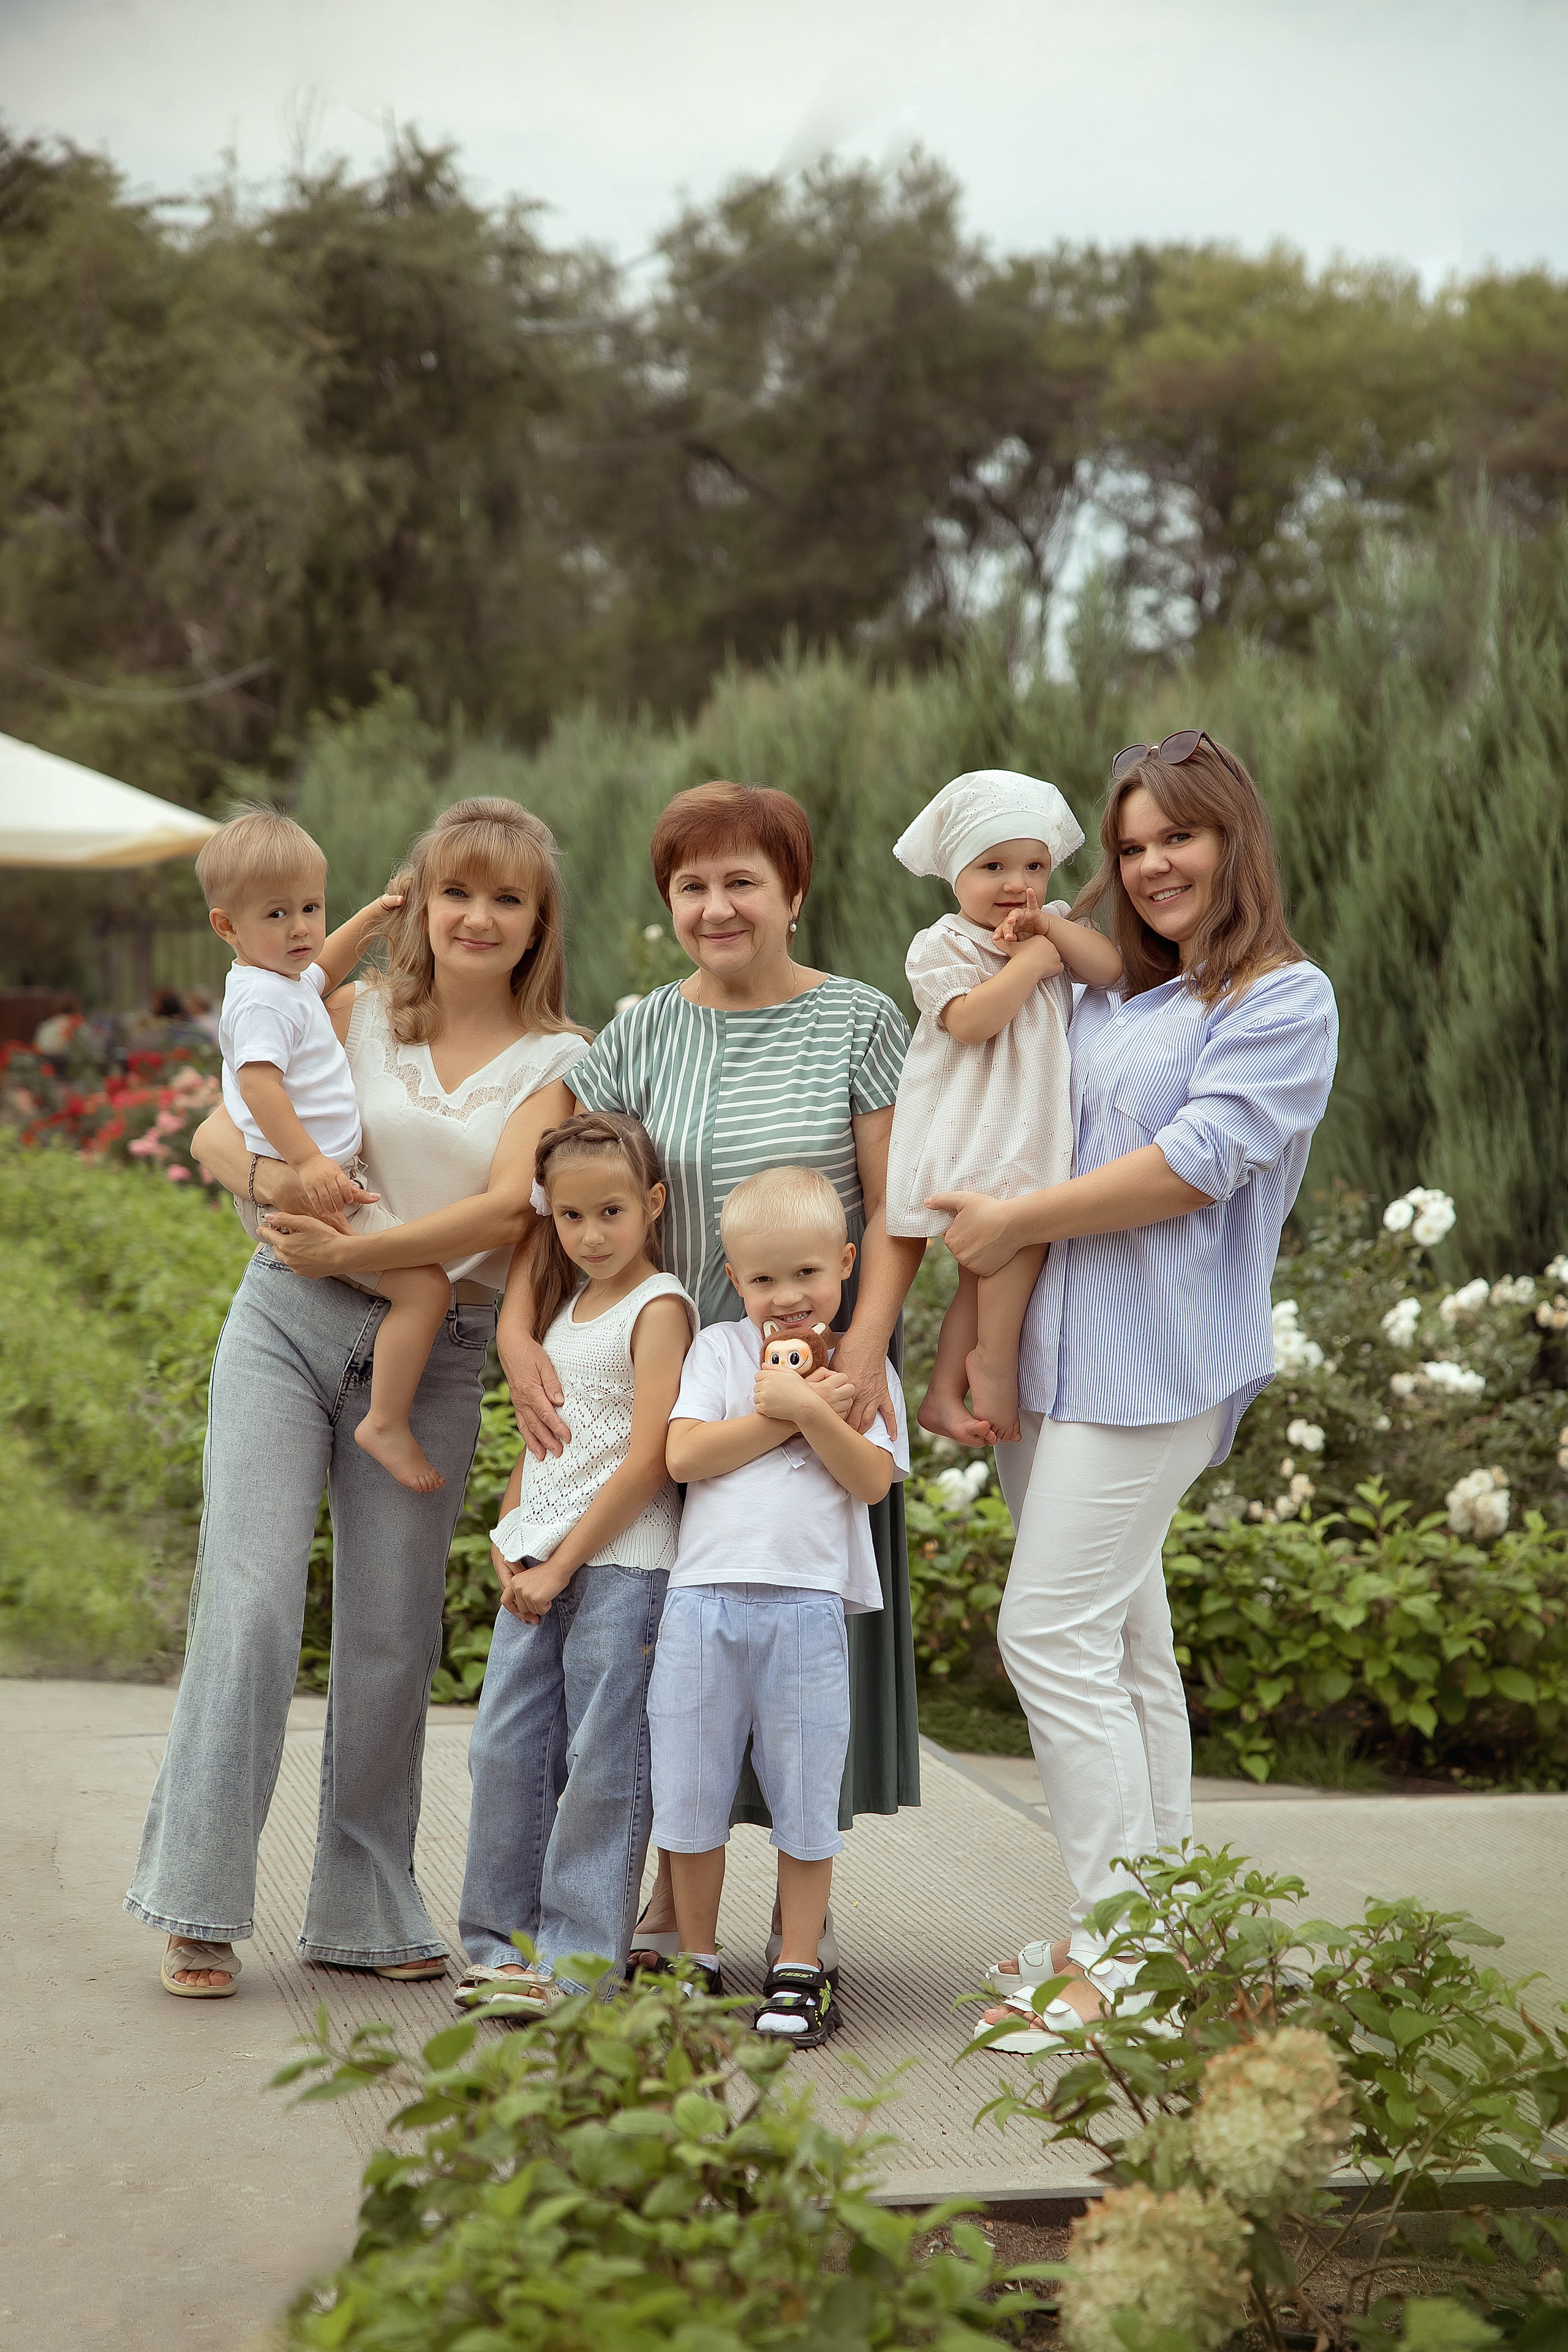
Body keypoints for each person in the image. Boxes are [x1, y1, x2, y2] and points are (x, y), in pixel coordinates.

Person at [126, 797, 589, 1997]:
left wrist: (358, 1249)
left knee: (390, 1637)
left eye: (506, 898)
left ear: (538, 921)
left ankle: (365, 1910)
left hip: (435, 1347)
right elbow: (222, 1137)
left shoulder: (560, 1061)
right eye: (456, 893)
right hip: (286, 1321)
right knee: (252, 1602)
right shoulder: (350, 1005)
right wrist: (290, 1189)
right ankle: (198, 1903)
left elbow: (505, 1212)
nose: (477, 917)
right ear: (421, 907)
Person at [931, 733, 1339, 2051]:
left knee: (1042, 1635)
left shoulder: (1279, 1001)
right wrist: (969, 1332)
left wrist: (1012, 1221)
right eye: (1131, 846)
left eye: (1178, 836)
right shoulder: (1121, 998)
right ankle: (1168, 1937)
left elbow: (1195, 1162)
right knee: (1119, 1647)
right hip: (1049, 1361)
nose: (1153, 864)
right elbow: (1010, 1143)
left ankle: (1118, 1960)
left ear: (1234, 840)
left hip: (1153, 1365)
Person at [503, 780, 922, 1983]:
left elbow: (892, 1207)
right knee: (662, 1649)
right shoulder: (637, 1033)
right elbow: (562, 1189)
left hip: (808, 1375)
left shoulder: (857, 1021)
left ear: (793, 892)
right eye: (690, 885)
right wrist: (523, 1333)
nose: (716, 904)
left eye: (742, 879)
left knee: (790, 1641)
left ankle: (800, 1922)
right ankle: (659, 1892)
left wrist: (859, 1359)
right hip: (669, 1386)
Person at [652, 1164, 909, 2048]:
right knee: (689, 1786)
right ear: (735, 1280)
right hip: (702, 1600)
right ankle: (694, 1956)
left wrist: (815, 1405)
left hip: (806, 1609)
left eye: (806, 1273)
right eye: (762, 1279)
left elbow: (872, 1478)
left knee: (805, 1791)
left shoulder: (860, 1367)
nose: (786, 1296)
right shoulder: (721, 1352)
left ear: (844, 1263)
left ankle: (798, 1963)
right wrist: (792, 1412)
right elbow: (684, 1457)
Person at [454, 1112, 695, 2012]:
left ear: (653, 1205)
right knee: (506, 1748)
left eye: (611, 1213)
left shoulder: (659, 1304)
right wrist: (512, 1533)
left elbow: (648, 1458)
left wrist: (561, 1566)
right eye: (570, 1217)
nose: (590, 1235)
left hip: (622, 1566)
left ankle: (578, 1963)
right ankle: (502, 1948)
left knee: (602, 1761)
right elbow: (546, 1433)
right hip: (538, 1562)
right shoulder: (563, 1306)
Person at [198, 806, 451, 1493]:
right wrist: (308, 1162)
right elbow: (257, 1086)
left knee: (414, 1282)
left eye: (311, 906)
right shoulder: (260, 1003)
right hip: (313, 1183)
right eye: (277, 915)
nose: (302, 928)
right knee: (426, 1286)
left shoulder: (281, 982)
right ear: (228, 927)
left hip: (321, 1176)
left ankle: (379, 1410)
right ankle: (386, 1422)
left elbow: (325, 973)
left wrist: (370, 916)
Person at [886, 769, 1123, 1447]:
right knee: (1013, 1244)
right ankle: (992, 1365)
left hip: (1029, 1118)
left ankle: (939, 1394)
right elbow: (970, 1023)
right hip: (977, 1122)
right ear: (956, 874)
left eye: (1034, 866)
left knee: (980, 1271)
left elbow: (1107, 970)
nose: (1016, 882)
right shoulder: (944, 945)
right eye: (992, 865)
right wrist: (1026, 965)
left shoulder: (1049, 932)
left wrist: (1050, 930)